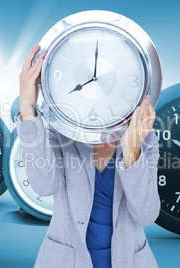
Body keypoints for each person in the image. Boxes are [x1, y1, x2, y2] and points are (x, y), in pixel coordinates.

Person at [15, 44, 160, 268]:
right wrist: (27, 108)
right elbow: (44, 186)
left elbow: (146, 215)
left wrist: (132, 148)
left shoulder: (146, 139)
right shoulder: (61, 130)